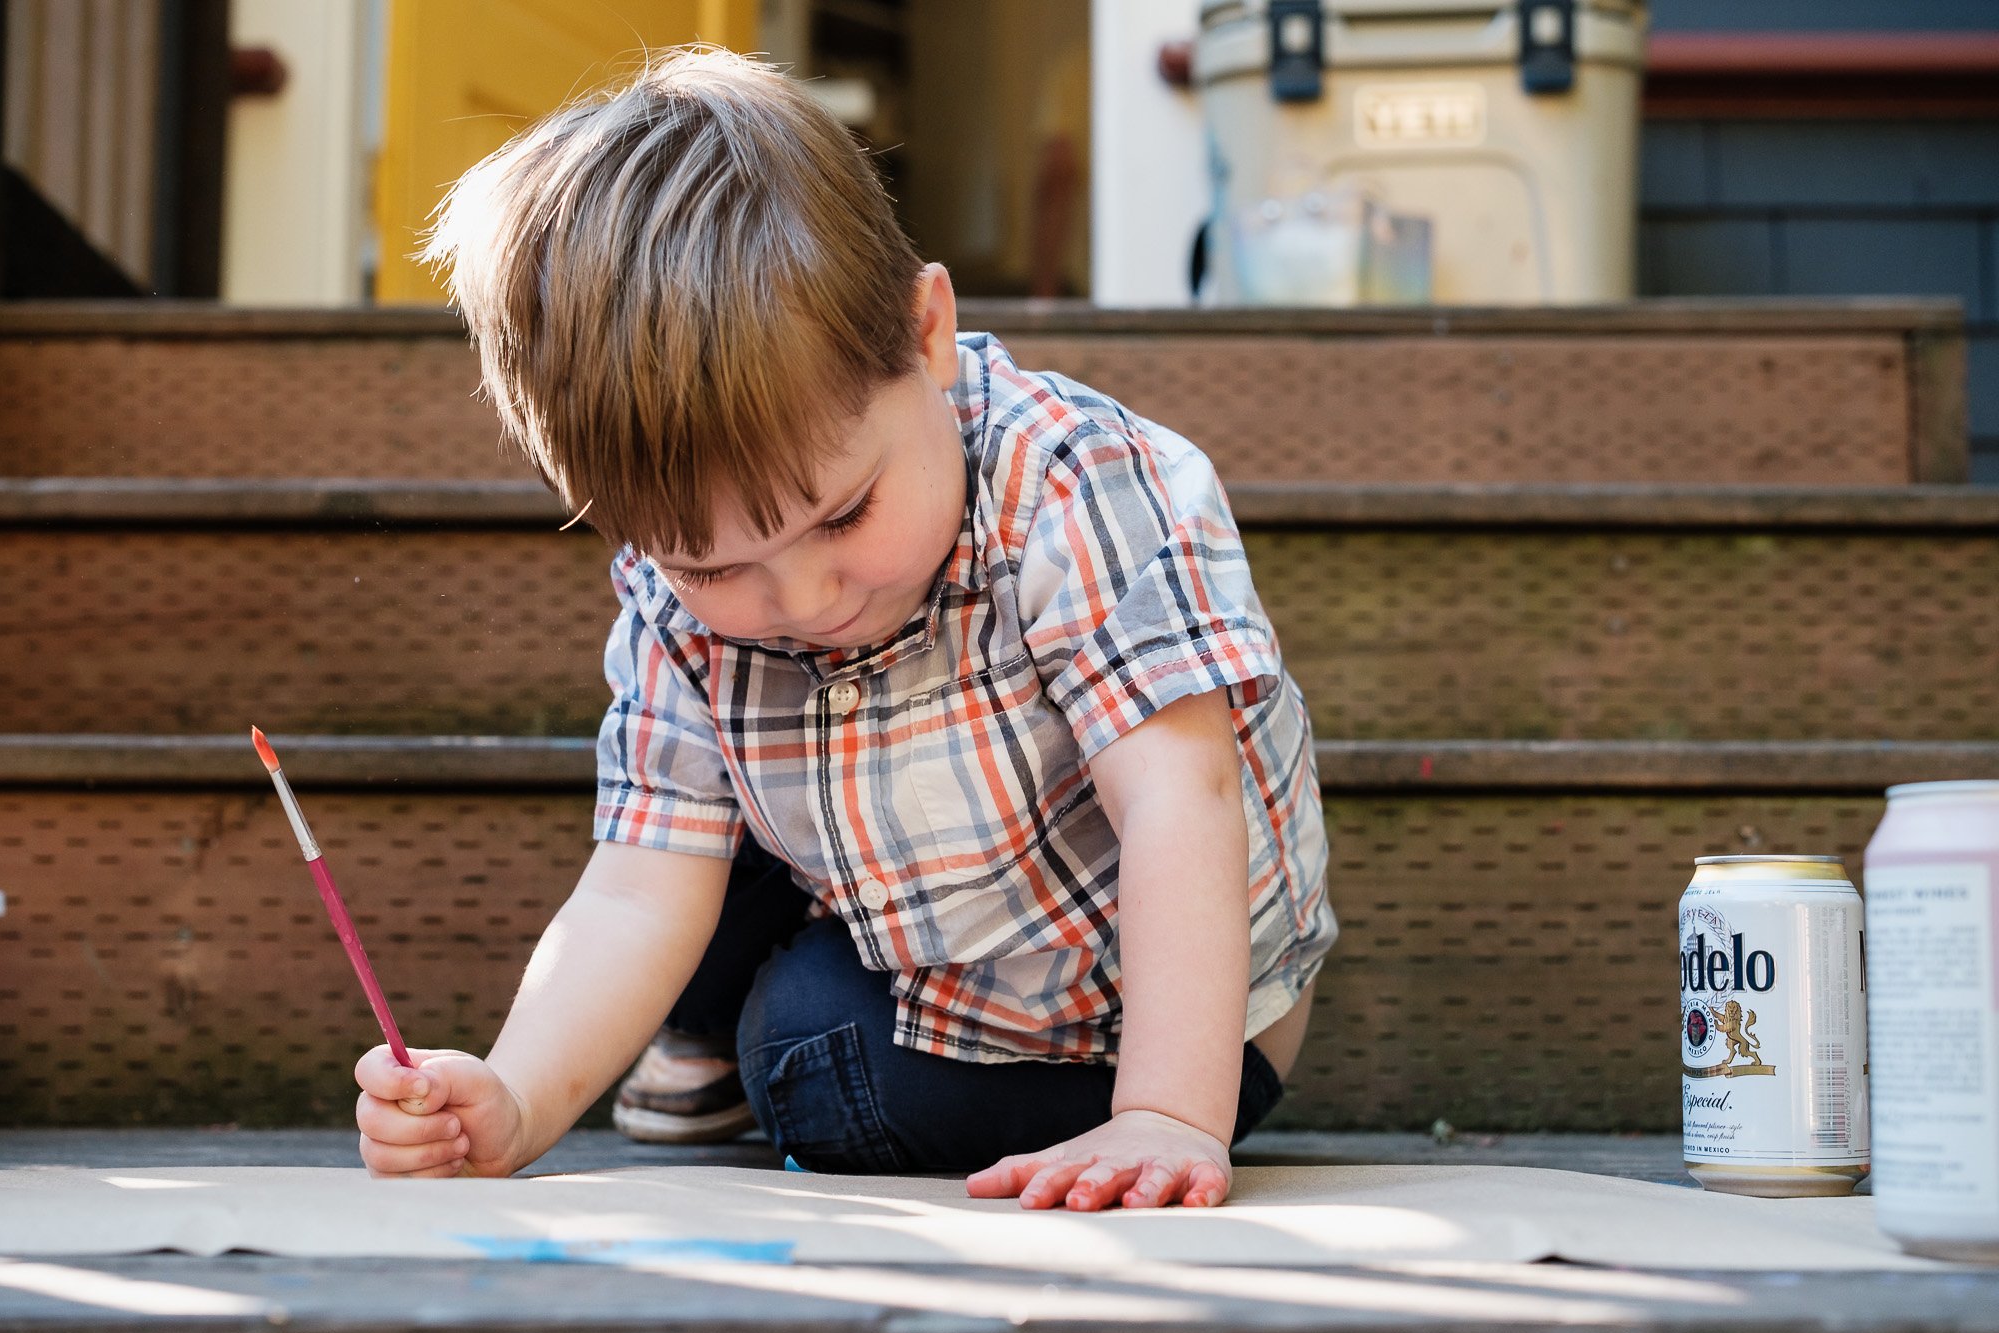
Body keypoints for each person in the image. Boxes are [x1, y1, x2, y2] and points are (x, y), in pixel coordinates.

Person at [351, 48, 1336, 1213]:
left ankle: (735, 1045)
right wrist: (511, 1099)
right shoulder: (682, 602)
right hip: (921, 881)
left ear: (925, 335)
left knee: (808, 1059)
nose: (808, 598)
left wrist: (1166, 1113)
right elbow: (634, 887)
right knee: (701, 828)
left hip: (1154, 1021)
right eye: (715, 563)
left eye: (844, 513)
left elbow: (1180, 799)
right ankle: (705, 1027)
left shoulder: (1074, 485)